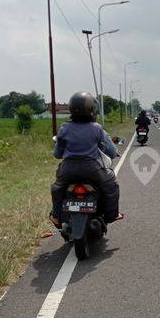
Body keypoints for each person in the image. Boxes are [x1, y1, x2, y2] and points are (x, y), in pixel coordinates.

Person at [50, 92, 122, 228]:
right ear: (92, 110)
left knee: (57, 188)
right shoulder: (97, 128)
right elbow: (111, 151)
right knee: (112, 185)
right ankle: (112, 214)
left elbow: (57, 154)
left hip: (68, 169)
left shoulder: (64, 128)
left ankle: (56, 216)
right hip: (92, 169)